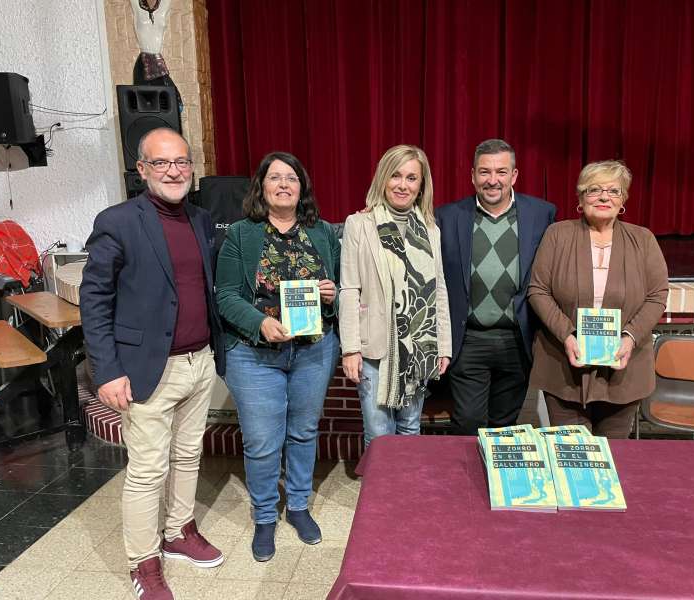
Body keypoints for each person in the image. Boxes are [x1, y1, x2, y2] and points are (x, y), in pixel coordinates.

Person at [80, 128, 224, 600]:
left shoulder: (202, 220)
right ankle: (143, 562)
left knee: (188, 455)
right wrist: (106, 370)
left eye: (182, 162)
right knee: (147, 470)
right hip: (145, 369)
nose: (174, 171)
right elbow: (94, 298)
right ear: (142, 169)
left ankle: (179, 531)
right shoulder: (118, 221)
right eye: (161, 163)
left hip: (198, 362)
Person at [216, 152, 340, 563]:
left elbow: (342, 289)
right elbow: (226, 296)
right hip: (255, 355)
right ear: (262, 187)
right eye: (275, 178)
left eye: (292, 178)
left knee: (304, 431)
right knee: (264, 441)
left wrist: (331, 296)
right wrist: (259, 323)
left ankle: (300, 506)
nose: (284, 184)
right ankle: (265, 515)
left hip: (312, 351)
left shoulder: (323, 233)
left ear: (302, 187)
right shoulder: (240, 233)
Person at [528, 160, 669, 438]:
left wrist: (629, 338)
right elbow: (538, 290)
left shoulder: (644, 240)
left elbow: (657, 296)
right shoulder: (557, 235)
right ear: (580, 198)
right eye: (594, 190)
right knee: (572, 457)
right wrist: (567, 336)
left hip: (622, 370)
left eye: (613, 191)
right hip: (564, 368)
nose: (604, 197)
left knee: (614, 458)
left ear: (623, 199)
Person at [436, 139, 555, 435]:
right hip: (469, 338)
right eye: (485, 172)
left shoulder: (542, 214)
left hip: (517, 338)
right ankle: (465, 480)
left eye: (501, 172)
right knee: (468, 422)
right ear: (473, 176)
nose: (493, 181)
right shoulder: (447, 217)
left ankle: (497, 482)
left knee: (505, 425)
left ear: (514, 176)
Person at [340, 144, 452, 448]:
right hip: (374, 348)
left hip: (419, 347)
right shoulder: (359, 224)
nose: (403, 185)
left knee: (410, 428)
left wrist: (443, 345)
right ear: (383, 179)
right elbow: (349, 289)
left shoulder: (430, 229)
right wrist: (350, 349)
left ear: (421, 185)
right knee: (378, 435)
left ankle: (406, 495)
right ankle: (381, 496)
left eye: (412, 178)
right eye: (396, 176)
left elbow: (438, 287)